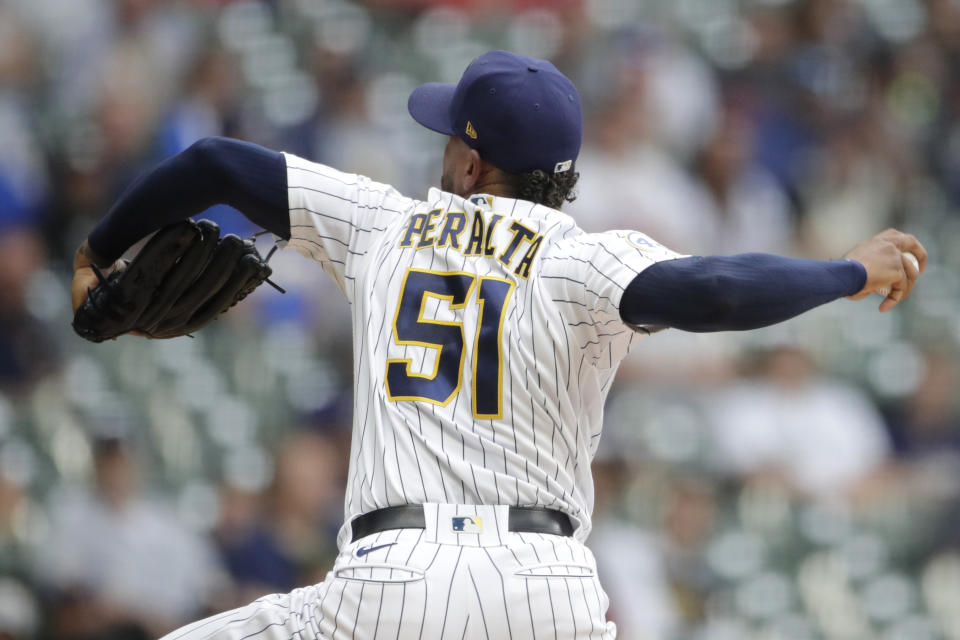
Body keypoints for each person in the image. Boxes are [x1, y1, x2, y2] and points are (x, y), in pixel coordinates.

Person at [71, 50, 925, 639]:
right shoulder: (588, 260)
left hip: (392, 584)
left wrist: (97, 252)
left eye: (452, 134)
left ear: (474, 164)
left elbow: (215, 160)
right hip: (548, 590)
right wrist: (845, 272)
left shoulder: (382, 221)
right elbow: (715, 289)